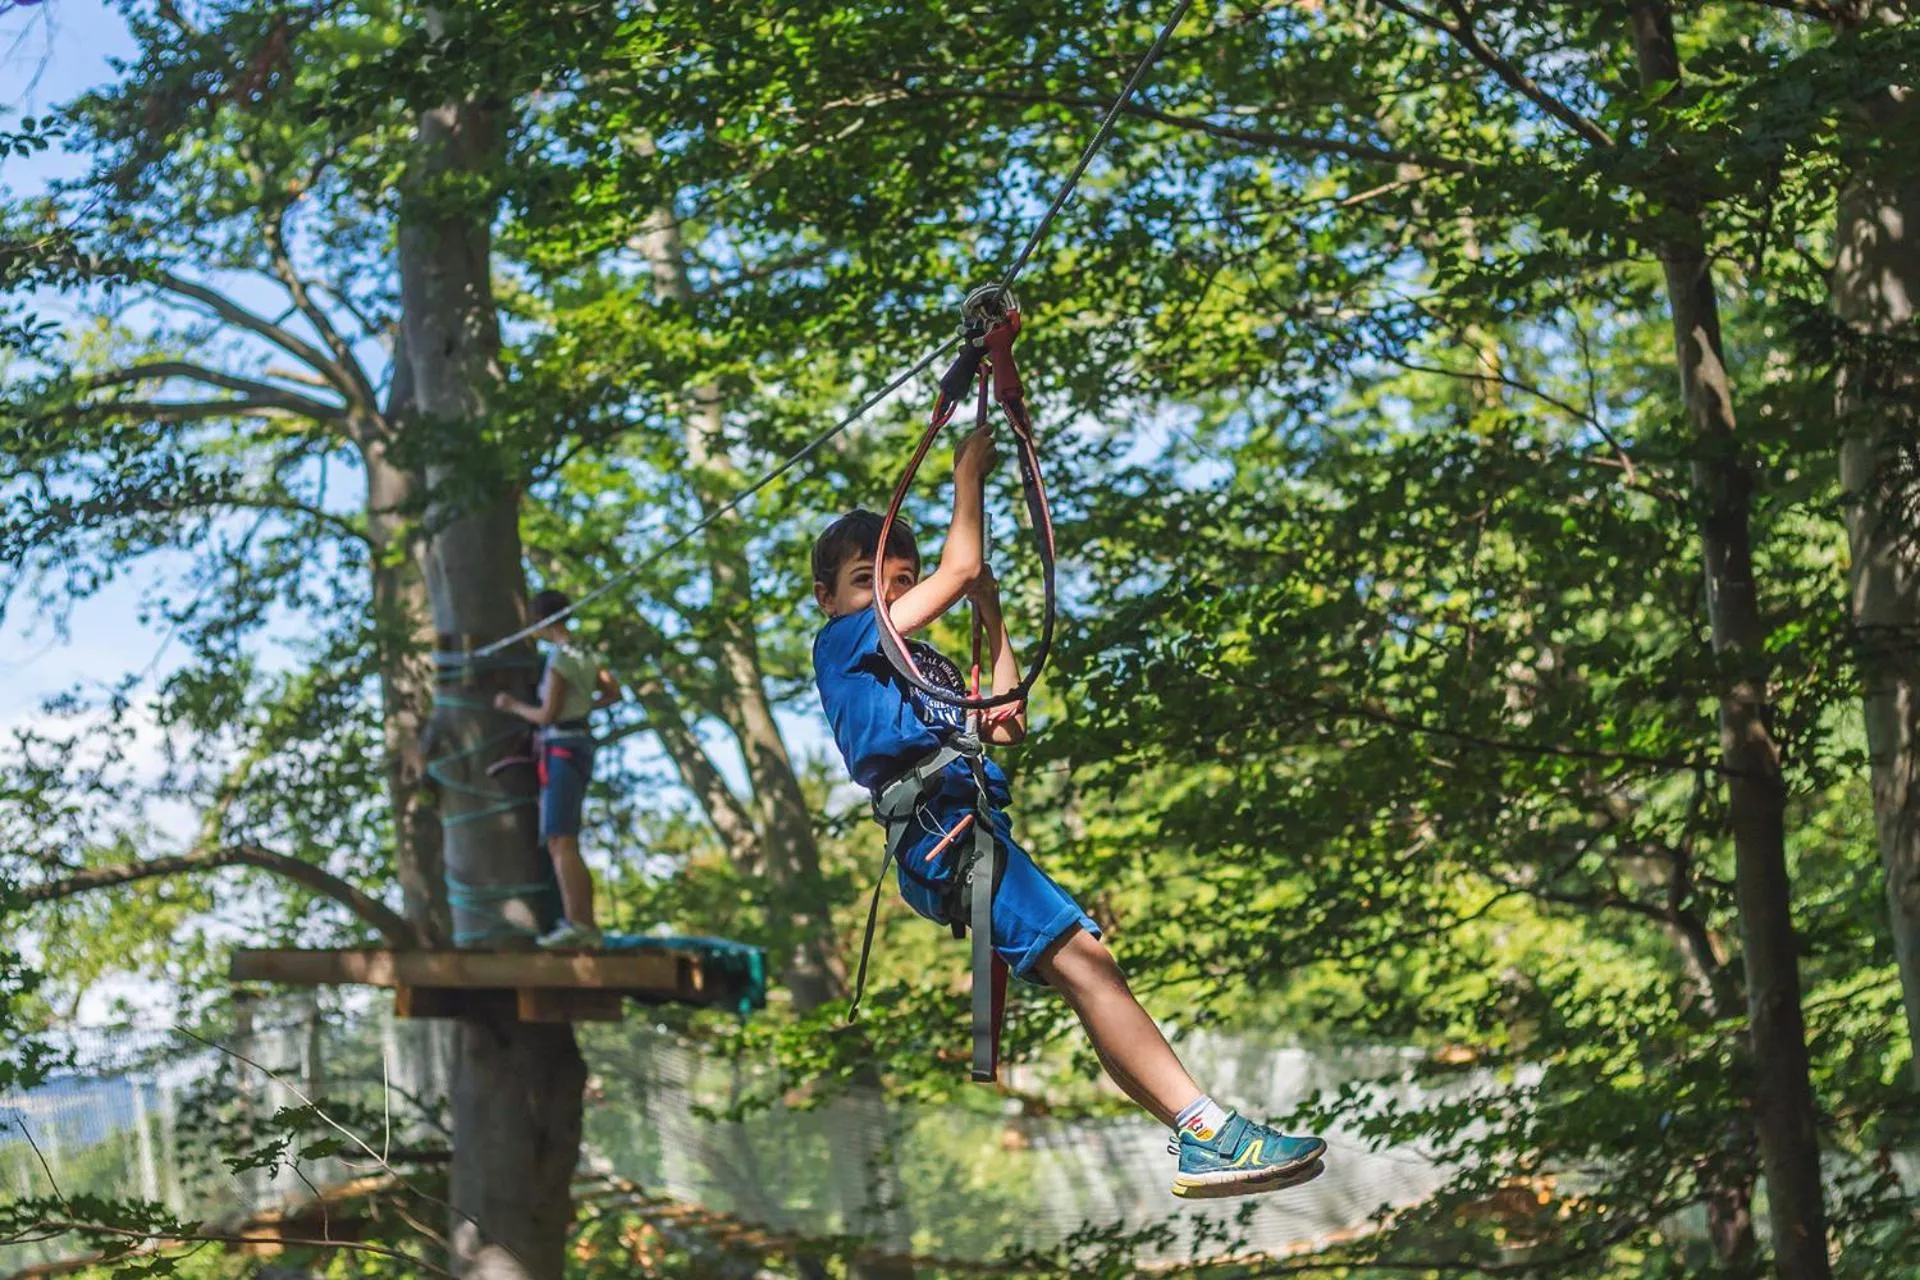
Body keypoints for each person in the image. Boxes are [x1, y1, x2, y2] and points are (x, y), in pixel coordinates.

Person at [810, 427, 1327, 1199]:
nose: (887, 595)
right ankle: (1210, 1131)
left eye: (902, 580)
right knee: (1086, 962)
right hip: (940, 834)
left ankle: (1198, 1134)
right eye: (866, 581)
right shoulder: (845, 643)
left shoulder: (921, 663)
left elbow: (1007, 722)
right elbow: (961, 566)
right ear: (829, 599)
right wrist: (965, 476)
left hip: (965, 831)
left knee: (1089, 971)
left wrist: (990, 613)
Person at [494, 588, 623, 949]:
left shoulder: (560, 658)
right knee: (562, 839)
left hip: (562, 747)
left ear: (541, 621)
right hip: (578, 743)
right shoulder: (585, 652)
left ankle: (580, 925)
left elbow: (547, 714)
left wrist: (511, 705)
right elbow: (613, 692)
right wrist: (581, 708)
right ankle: (581, 923)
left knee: (560, 839)